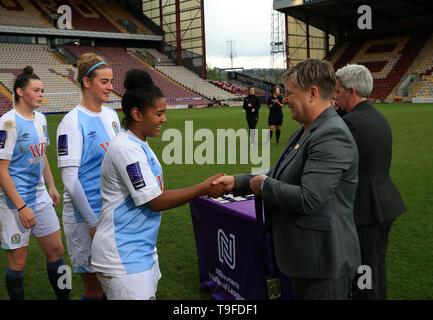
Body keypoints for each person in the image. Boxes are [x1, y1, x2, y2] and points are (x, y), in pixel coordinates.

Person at [213, 59, 361, 300]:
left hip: (324, 262)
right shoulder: (306, 129)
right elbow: (279, 174)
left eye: (289, 93)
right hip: (309, 258)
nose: (283, 100)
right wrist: (237, 182)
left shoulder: (331, 134)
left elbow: (309, 198)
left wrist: (263, 185)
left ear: (312, 93)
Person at [90, 69, 226, 300]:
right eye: (159, 113)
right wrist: (203, 188)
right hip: (122, 254)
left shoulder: (137, 143)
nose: (164, 119)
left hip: (139, 249)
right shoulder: (127, 149)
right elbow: (154, 201)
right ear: (137, 113)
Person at [334, 64, 406, 300]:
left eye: (338, 92)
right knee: (375, 270)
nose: (336, 96)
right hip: (382, 203)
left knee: (363, 278)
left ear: (351, 91)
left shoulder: (351, 123)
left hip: (364, 210)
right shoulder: (377, 117)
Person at [0, 66, 69, 300]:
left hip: (40, 197)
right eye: (36, 90)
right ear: (20, 91)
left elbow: (42, 156)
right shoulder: (7, 124)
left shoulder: (40, 119)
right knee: (18, 261)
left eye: (42, 90)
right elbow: (1, 172)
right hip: (14, 202)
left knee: (58, 251)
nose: (41, 94)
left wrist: (51, 185)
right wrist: (21, 207)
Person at [56, 53, 121, 300]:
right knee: (94, 290)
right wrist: (93, 223)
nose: (111, 87)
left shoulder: (111, 116)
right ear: (86, 82)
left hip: (111, 211)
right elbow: (70, 181)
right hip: (86, 218)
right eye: (104, 81)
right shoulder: (70, 123)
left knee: (113, 283)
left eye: (111, 81)